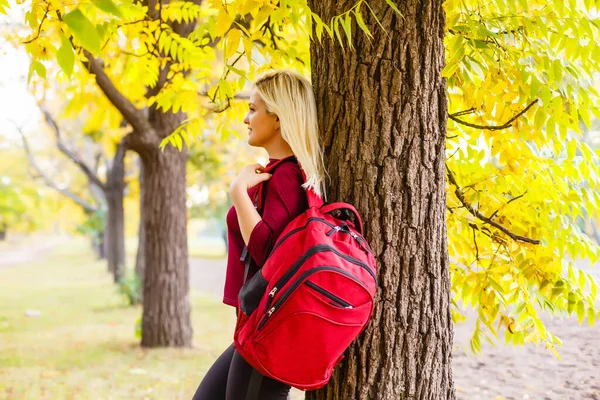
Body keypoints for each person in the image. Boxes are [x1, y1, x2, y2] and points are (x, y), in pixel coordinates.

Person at [191, 70, 327, 400]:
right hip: (260, 325)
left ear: (278, 117)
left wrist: (238, 191)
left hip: (274, 329)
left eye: (253, 109)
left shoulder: (286, 177)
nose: (246, 119)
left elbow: (269, 254)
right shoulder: (281, 174)